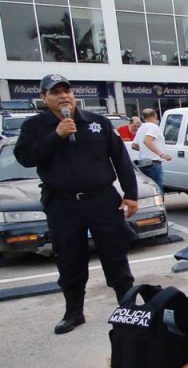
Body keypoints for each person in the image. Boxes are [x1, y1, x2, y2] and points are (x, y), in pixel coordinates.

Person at [15, 74, 139, 335]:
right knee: (69, 258)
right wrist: (56, 135)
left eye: (67, 91)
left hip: (102, 200)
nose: (63, 96)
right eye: (56, 92)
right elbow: (25, 158)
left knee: (115, 253)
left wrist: (131, 194)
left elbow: (120, 158)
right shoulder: (34, 127)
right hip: (62, 204)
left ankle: (128, 308)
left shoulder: (97, 122)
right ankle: (74, 312)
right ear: (44, 97)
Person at [131, 108, 171, 190]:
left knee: (149, 189)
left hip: (143, 163)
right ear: (155, 115)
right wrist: (161, 154)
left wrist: (145, 149)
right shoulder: (154, 127)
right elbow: (147, 140)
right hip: (153, 163)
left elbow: (134, 145)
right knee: (157, 188)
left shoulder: (141, 128)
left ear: (143, 117)